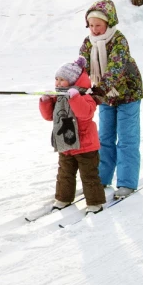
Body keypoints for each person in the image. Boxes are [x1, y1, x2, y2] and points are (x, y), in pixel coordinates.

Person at [78, 0, 143, 199]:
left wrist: (98, 91)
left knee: (126, 140)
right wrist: (71, 85)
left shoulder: (119, 40)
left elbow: (115, 70)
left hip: (128, 94)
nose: (95, 29)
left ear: (109, 23)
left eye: (99, 25)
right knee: (104, 139)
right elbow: (82, 68)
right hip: (106, 97)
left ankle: (126, 182)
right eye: (91, 25)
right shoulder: (88, 42)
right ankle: (101, 178)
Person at [39, 57, 106, 214]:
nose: (58, 83)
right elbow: (50, 117)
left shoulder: (85, 96)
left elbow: (84, 114)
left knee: (89, 175)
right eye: (57, 79)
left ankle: (95, 203)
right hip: (66, 143)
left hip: (85, 146)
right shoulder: (60, 96)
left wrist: (74, 97)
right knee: (64, 174)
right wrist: (45, 101)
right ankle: (63, 198)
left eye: (62, 80)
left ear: (72, 81)